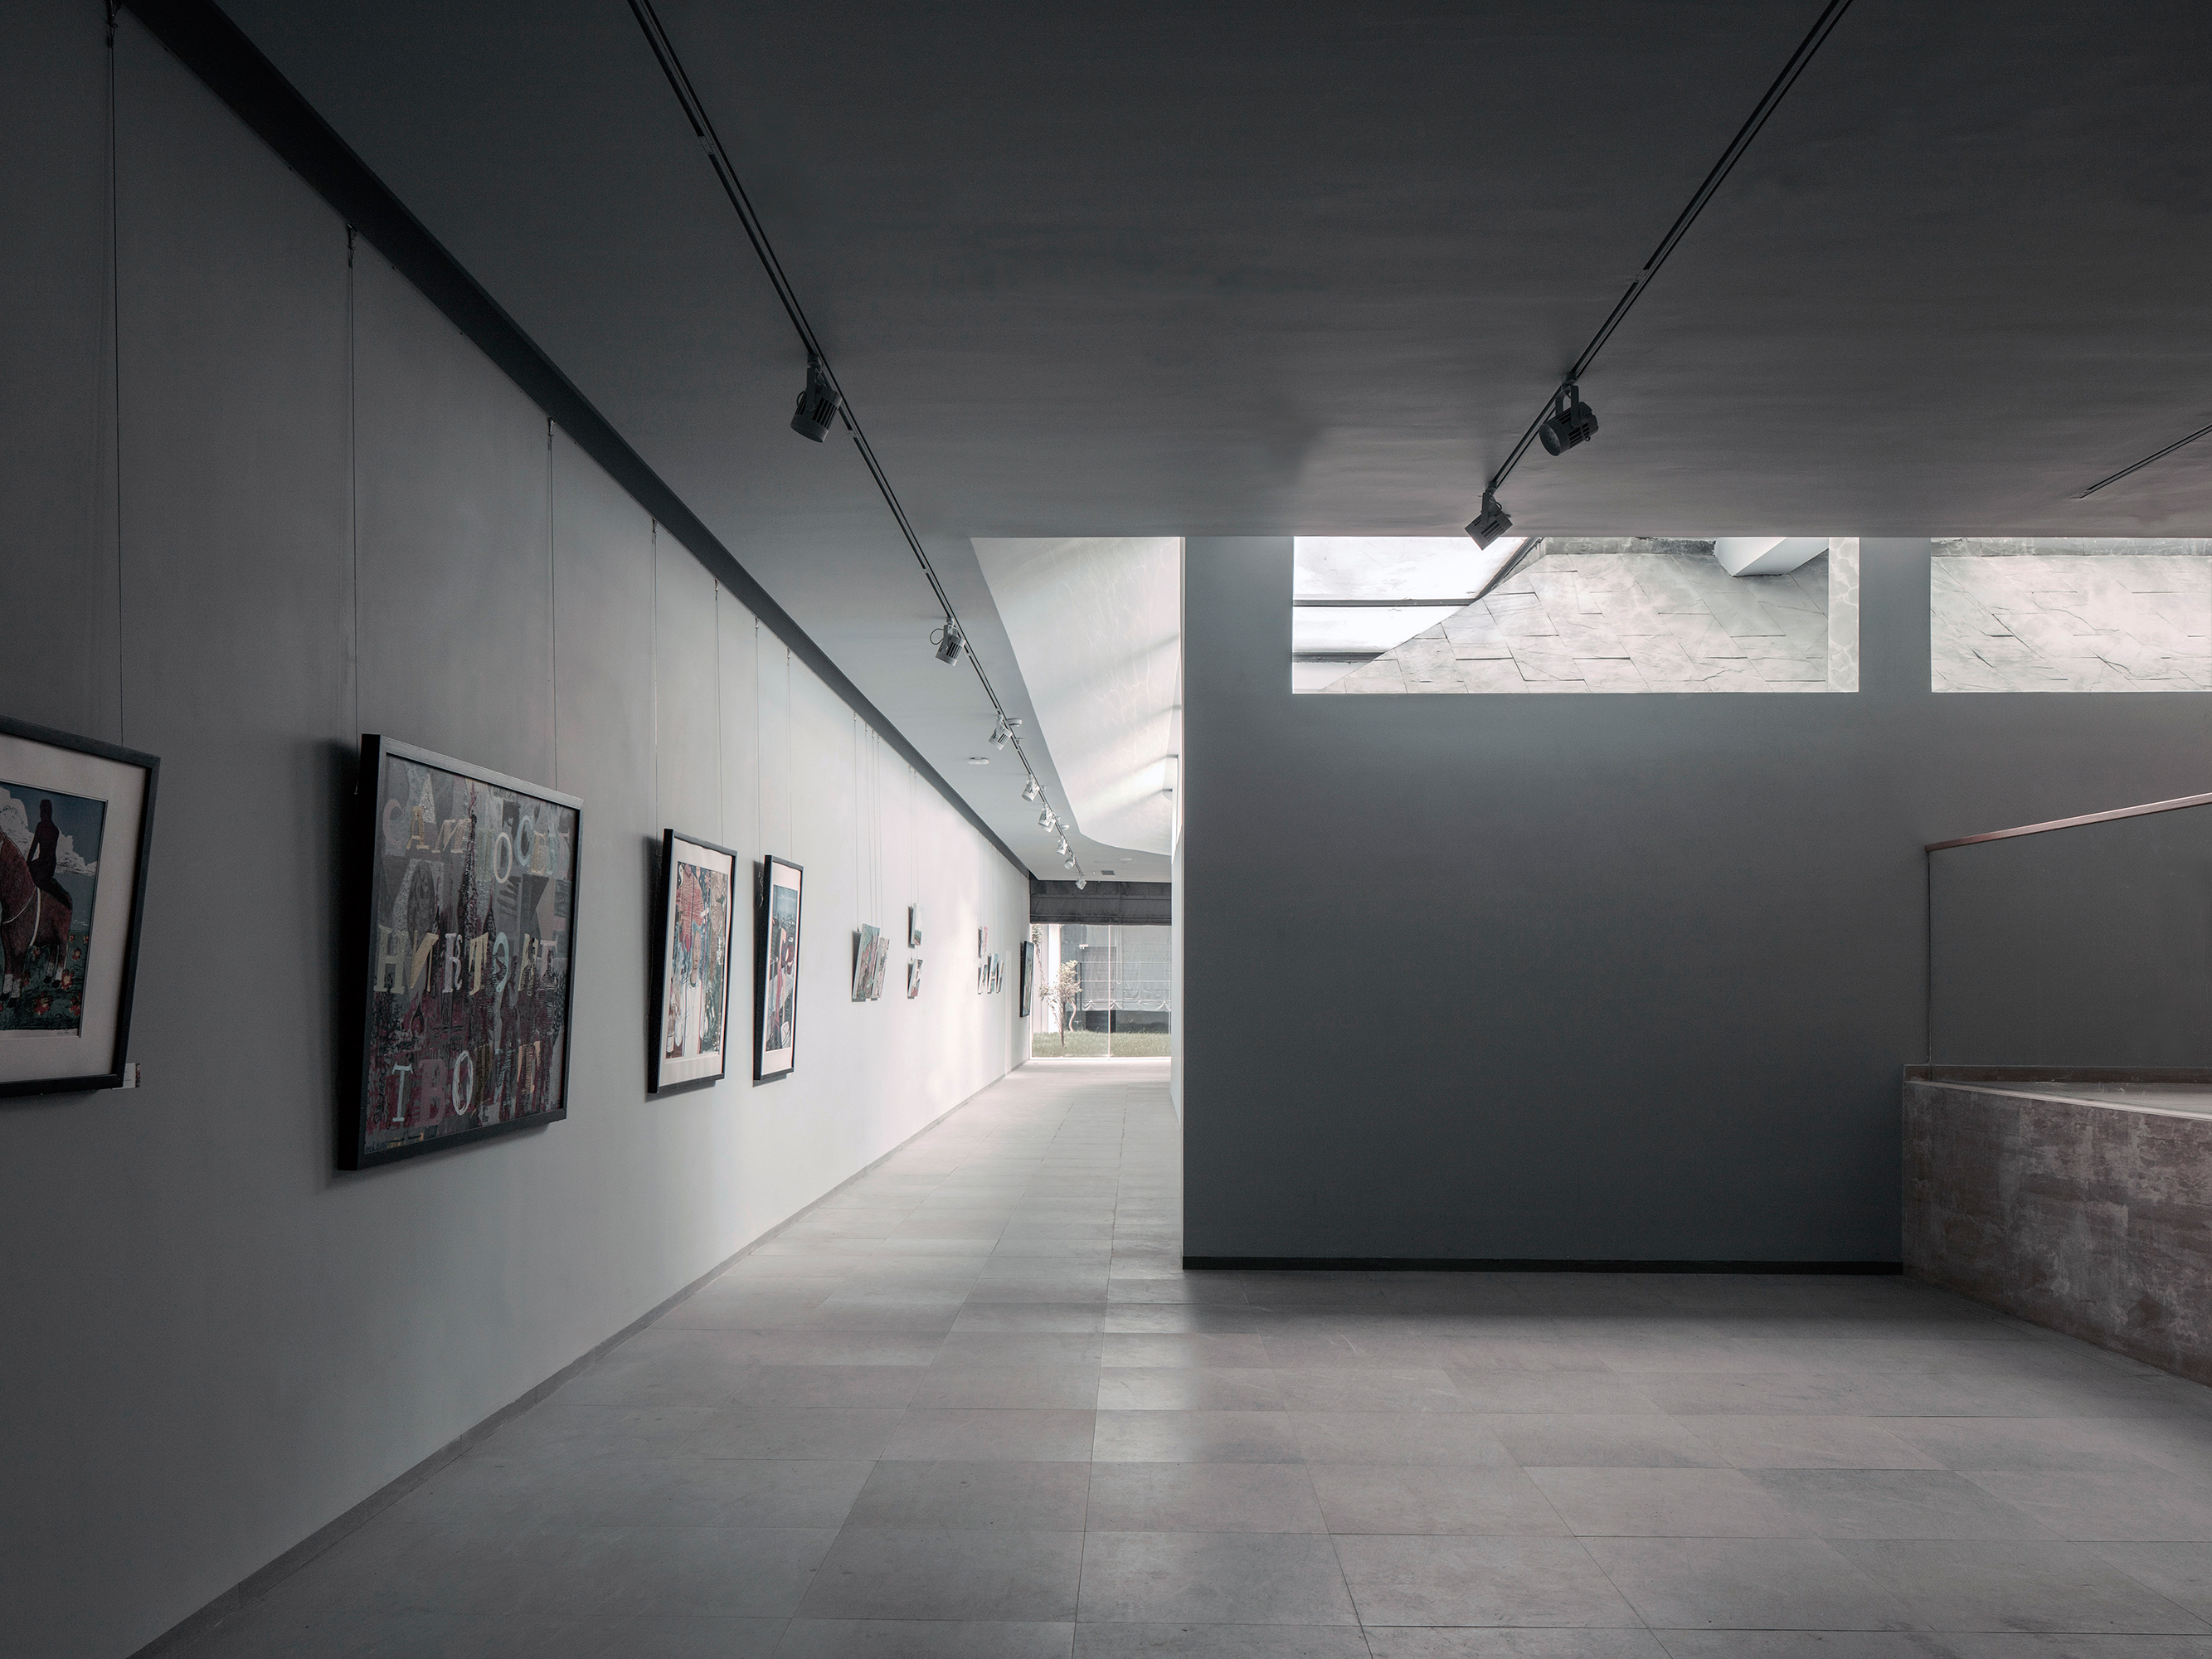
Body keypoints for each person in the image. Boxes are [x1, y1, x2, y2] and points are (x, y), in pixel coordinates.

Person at [28, 800, 70, 907]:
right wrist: (27, 864)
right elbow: (33, 847)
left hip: (49, 864)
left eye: (44, 811)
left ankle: (61, 898)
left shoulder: (54, 830)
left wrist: (33, 864)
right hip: (41, 862)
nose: (41, 814)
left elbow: (49, 854)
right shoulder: (40, 826)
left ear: (48, 812)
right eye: (41, 811)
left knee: (39, 881)